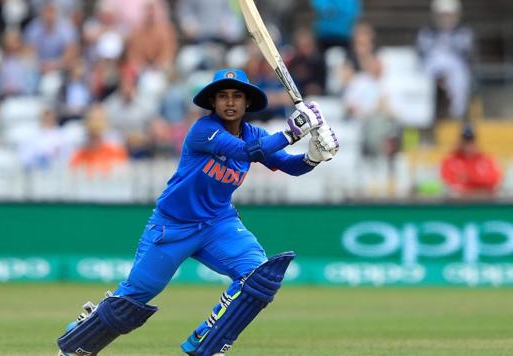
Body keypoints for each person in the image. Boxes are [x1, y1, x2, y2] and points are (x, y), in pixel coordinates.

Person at [56, 68, 339, 355]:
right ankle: (79, 337)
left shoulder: (256, 133)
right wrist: (293, 131)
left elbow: (288, 166)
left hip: (218, 223)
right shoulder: (204, 130)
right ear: (213, 103)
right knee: (132, 299)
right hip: (173, 226)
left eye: (237, 96)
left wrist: (313, 156)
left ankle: (207, 342)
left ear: (247, 103)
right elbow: (246, 152)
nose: (230, 102)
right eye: (223, 96)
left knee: (259, 276)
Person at [416, 0, 473, 119]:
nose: (446, 19)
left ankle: (456, 114)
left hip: (456, 66)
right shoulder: (426, 32)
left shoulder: (464, 32)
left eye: (449, 15)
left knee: (460, 78)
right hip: (431, 65)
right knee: (423, 79)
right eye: (443, 15)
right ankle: (425, 115)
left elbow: (466, 55)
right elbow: (422, 55)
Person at [440, 124, 502, 198]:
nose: (468, 144)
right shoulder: (450, 160)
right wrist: (478, 184)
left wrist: (469, 178)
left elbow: (494, 180)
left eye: (470, 140)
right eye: (465, 140)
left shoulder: (487, 160)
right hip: (459, 203)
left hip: (483, 201)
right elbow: (449, 184)